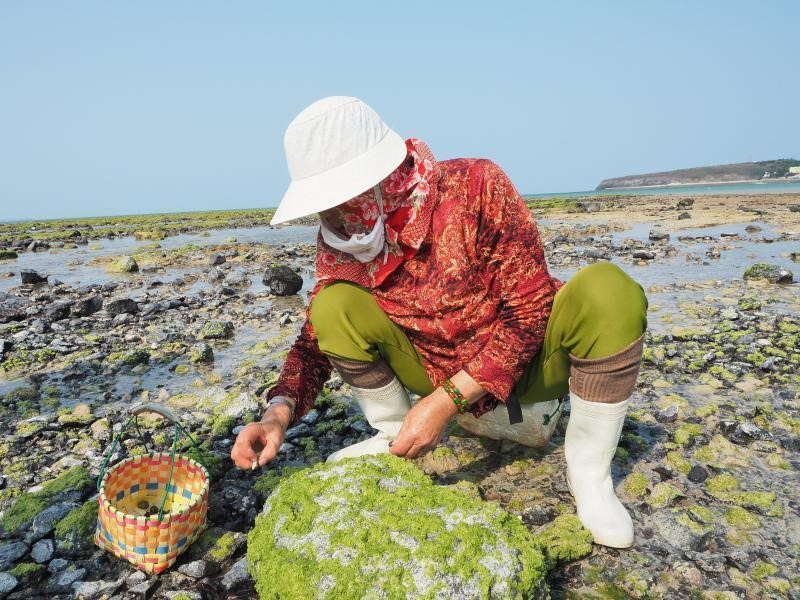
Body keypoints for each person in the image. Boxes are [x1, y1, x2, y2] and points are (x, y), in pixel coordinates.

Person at [231, 96, 647, 548]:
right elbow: (315, 340)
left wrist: (445, 404)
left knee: (610, 291)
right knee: (332, 306)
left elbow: (530, 311)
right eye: (323, 205)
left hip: (528, 367)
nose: (331, 216)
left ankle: (589, 475)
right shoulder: (345, 243)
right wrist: (278, 414)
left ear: (380, 175)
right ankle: (393, 436)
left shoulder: (474, 186)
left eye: (337, 199)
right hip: (434, 371)